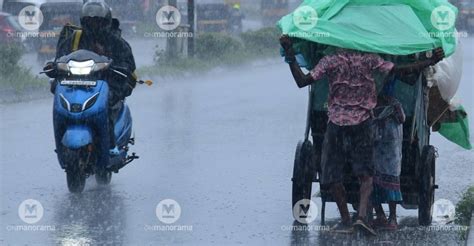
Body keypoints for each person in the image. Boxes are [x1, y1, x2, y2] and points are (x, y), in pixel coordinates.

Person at [279, 35, 445, 235]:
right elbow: (402, 72)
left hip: (336, 124)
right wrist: (430, 61)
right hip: (363, 123)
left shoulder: (330, 60)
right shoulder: (370, 59)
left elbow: (302, 81)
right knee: (366, 176)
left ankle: (347, 220)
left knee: (331, 176)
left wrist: (290, 53)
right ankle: (361, 217)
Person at [46, 0, 137, 154]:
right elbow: (60, 58)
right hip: (76, 83)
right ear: (83, 21)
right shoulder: (74, 39)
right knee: (58, 97)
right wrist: (54, 67)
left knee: (109, 101)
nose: (93, 25)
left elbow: (128, 65)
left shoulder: (116, 42)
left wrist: (119, 70)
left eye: (97, 21)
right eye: (89, 21)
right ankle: (61, 139)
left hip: (106, 83)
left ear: (105, 22)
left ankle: (110, 144)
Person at [371, 80, 406, 231]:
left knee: (391, 182)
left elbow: (402, 119)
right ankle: (380, 215)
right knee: (373, 182)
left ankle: (392, 217)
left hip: (391, 150)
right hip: (375, 148)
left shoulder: (394, 104)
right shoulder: (371, 104)